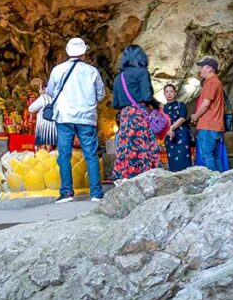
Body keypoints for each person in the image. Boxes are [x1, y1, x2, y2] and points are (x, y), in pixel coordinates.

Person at [45, 37, 105, 203]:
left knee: (64, 154)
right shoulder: (92, 72)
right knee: (91, 155)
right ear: (84, 53)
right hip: (86, 118)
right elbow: (101, 95)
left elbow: (50, 92)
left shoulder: (58, 70)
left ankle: (66, 193)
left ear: (67, 51)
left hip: (64, 117)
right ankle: (96, 193)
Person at [111, 44, 161, 182]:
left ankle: (125, 176)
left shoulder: (118, 78)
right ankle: (146, 176)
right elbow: (146, 96)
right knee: (143, 144)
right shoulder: (142, 73)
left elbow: (115, 103)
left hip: (126, 115)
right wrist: (157, 105)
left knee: (127, 146)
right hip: (140, 114)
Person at [190, 58, 224, 171]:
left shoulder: (211, 82)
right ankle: (221, 183)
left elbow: (206, 103)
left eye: (202, 67)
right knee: (215, 156)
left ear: (210, 68)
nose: (200, 70)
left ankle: (214, 183)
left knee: (207, 156)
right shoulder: (217, 82)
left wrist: (196, 116)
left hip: (208, 125)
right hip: (216, 125)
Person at [161, 83, 191, 172]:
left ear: (175, 93)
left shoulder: (181, 105)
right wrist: (168, 131)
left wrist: (172, 128)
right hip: (169, 136)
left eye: (171, 91)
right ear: (164, 94)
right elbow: (161, 124)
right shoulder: (163, 108)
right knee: (172, 159)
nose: (169, 94)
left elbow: (182, 118)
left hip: (181, 135)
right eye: (167, 92)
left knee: (183, 158)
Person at [26, 78, 57, 148]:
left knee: (43, 148)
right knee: (52, 146)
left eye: (40, 88)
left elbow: (31, 108)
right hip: (55, 126)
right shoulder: (56, 97)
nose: (39, 90)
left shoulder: (43, 97)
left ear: (43, 89)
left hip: (44, 127)